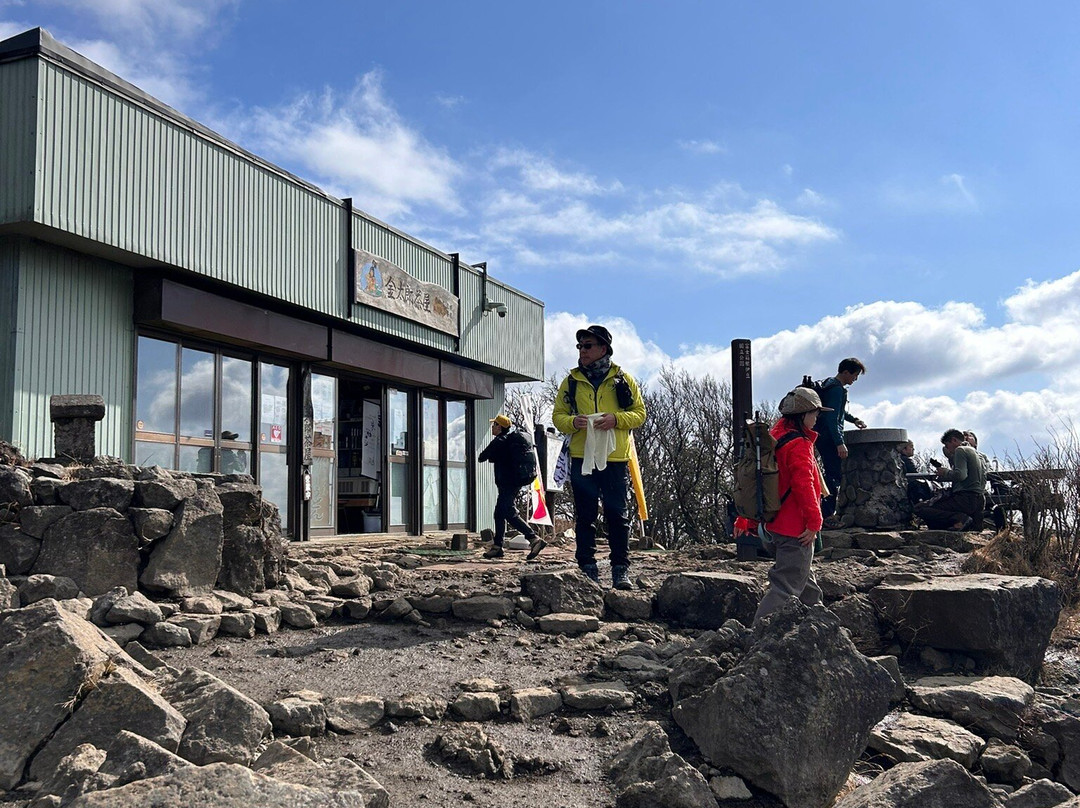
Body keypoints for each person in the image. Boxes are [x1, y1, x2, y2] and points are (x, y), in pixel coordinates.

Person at [552, 325, 647, 589]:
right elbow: (558, 416)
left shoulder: (623, 379)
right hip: (582, 455)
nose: (582, 351)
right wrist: (574, 422)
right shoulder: (571, 381)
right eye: (580, 346)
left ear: (603, 349)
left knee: (617, 513)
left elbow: (640, 413)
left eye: (588, 345)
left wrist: (616, 419)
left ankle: (620, 569)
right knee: (585, 515)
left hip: (615, 457)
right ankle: (587, 568)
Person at [735, 387, 829, 624]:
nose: (817, 418)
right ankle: (758, 635)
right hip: (795, 527)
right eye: (815, 413)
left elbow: (759, 482)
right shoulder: (799, 443)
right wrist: (815, 522)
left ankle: (820, 623)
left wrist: (746, 519)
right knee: (786, 585)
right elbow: (804, 484)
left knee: (803, 576)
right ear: (804, 414)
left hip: (773, 524)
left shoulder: (772, 437)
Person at [477, 414, 545, 560]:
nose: (492, 427)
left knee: (508, 513)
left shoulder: (499, 441)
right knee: (500, 513)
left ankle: (534, 539)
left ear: (500, 427)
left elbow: (481, 457)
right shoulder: (510, 441)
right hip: (514, 481)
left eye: (494, 425)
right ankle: (498, 547)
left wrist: (492, 456)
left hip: (507, 483)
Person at [815, 357, 868, 524]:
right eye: (855, 375)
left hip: (822, 435)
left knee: (831, 474)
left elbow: (838, 411)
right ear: (846, 372)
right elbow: (832, 418)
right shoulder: (836, 389)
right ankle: (827, 514)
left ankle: (826, 512)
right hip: (829, 437)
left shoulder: (829, 385)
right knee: (833, 475)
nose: (855, 379)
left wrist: (854, 420)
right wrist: (839, 442)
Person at [913, 429, 987, 530]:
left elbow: (961, 475)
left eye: (947, 446)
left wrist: (945, 472)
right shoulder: (980, 455)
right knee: (975, 531)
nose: (948, 450)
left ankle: (960, 518)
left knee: (921, 509)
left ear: (954, 440)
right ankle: (961, 522)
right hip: (980, 500)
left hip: (965, 498)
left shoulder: (961, 450)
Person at [899, 440, 934, 505]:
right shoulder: (907, 460)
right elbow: (915, 474)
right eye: (911, 447)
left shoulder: (900, 459)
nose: (913, 449)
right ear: (904, 449)